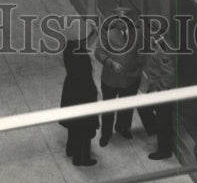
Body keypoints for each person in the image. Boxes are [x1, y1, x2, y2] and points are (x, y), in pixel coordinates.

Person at [94, 9, 145, 146]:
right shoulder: (107, 32)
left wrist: (139, 66)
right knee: (108, 108)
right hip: (111, 79)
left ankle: (122, 128)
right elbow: (98, 51)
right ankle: (106, 134)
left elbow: (142, 50)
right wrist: (110, 62)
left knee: (127, 107)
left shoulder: (138, 32)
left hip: (131, 78)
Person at [60, 28, 99, 167]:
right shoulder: (82, 60)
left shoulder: (69, 49)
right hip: (84, 96)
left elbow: (83, 43)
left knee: (73, 127)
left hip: (71, 94)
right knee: (85, 129)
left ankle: (71, 150)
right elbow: (87, 78)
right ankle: (82, 158)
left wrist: (94, 34)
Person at [142, 35, 178, 160]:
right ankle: (154, 131)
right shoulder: (158, 43)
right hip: (156, 87)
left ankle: (164, 151)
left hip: (163, 92)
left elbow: (169, 74)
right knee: (144, 107)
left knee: (163, 120)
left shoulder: (164, 49)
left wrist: (158, 90)